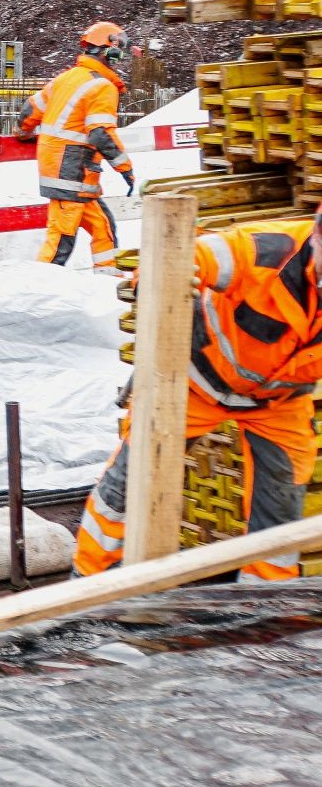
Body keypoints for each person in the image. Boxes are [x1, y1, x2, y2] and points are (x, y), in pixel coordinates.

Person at [74, 209, 322, 581]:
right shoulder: (263, 250)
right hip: (191, 384)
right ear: (316, 238)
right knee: (128, 487)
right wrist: (160, 280)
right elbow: (177, 254)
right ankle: (87, 589)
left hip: (279, 403)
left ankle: (265, 612)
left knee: (280, 513)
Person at [17, 21, 135, 271]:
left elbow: (29, 111)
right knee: (60, 243)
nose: (119, 59)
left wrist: (24, 133)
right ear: (109, 51)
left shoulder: (66, 79)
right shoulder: (103, 87)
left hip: (75, 176)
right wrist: (126, 168)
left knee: (103, 229)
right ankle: (35, 291)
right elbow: (101, 134)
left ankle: (108, 282)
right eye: (118, 52)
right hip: (70, 175)